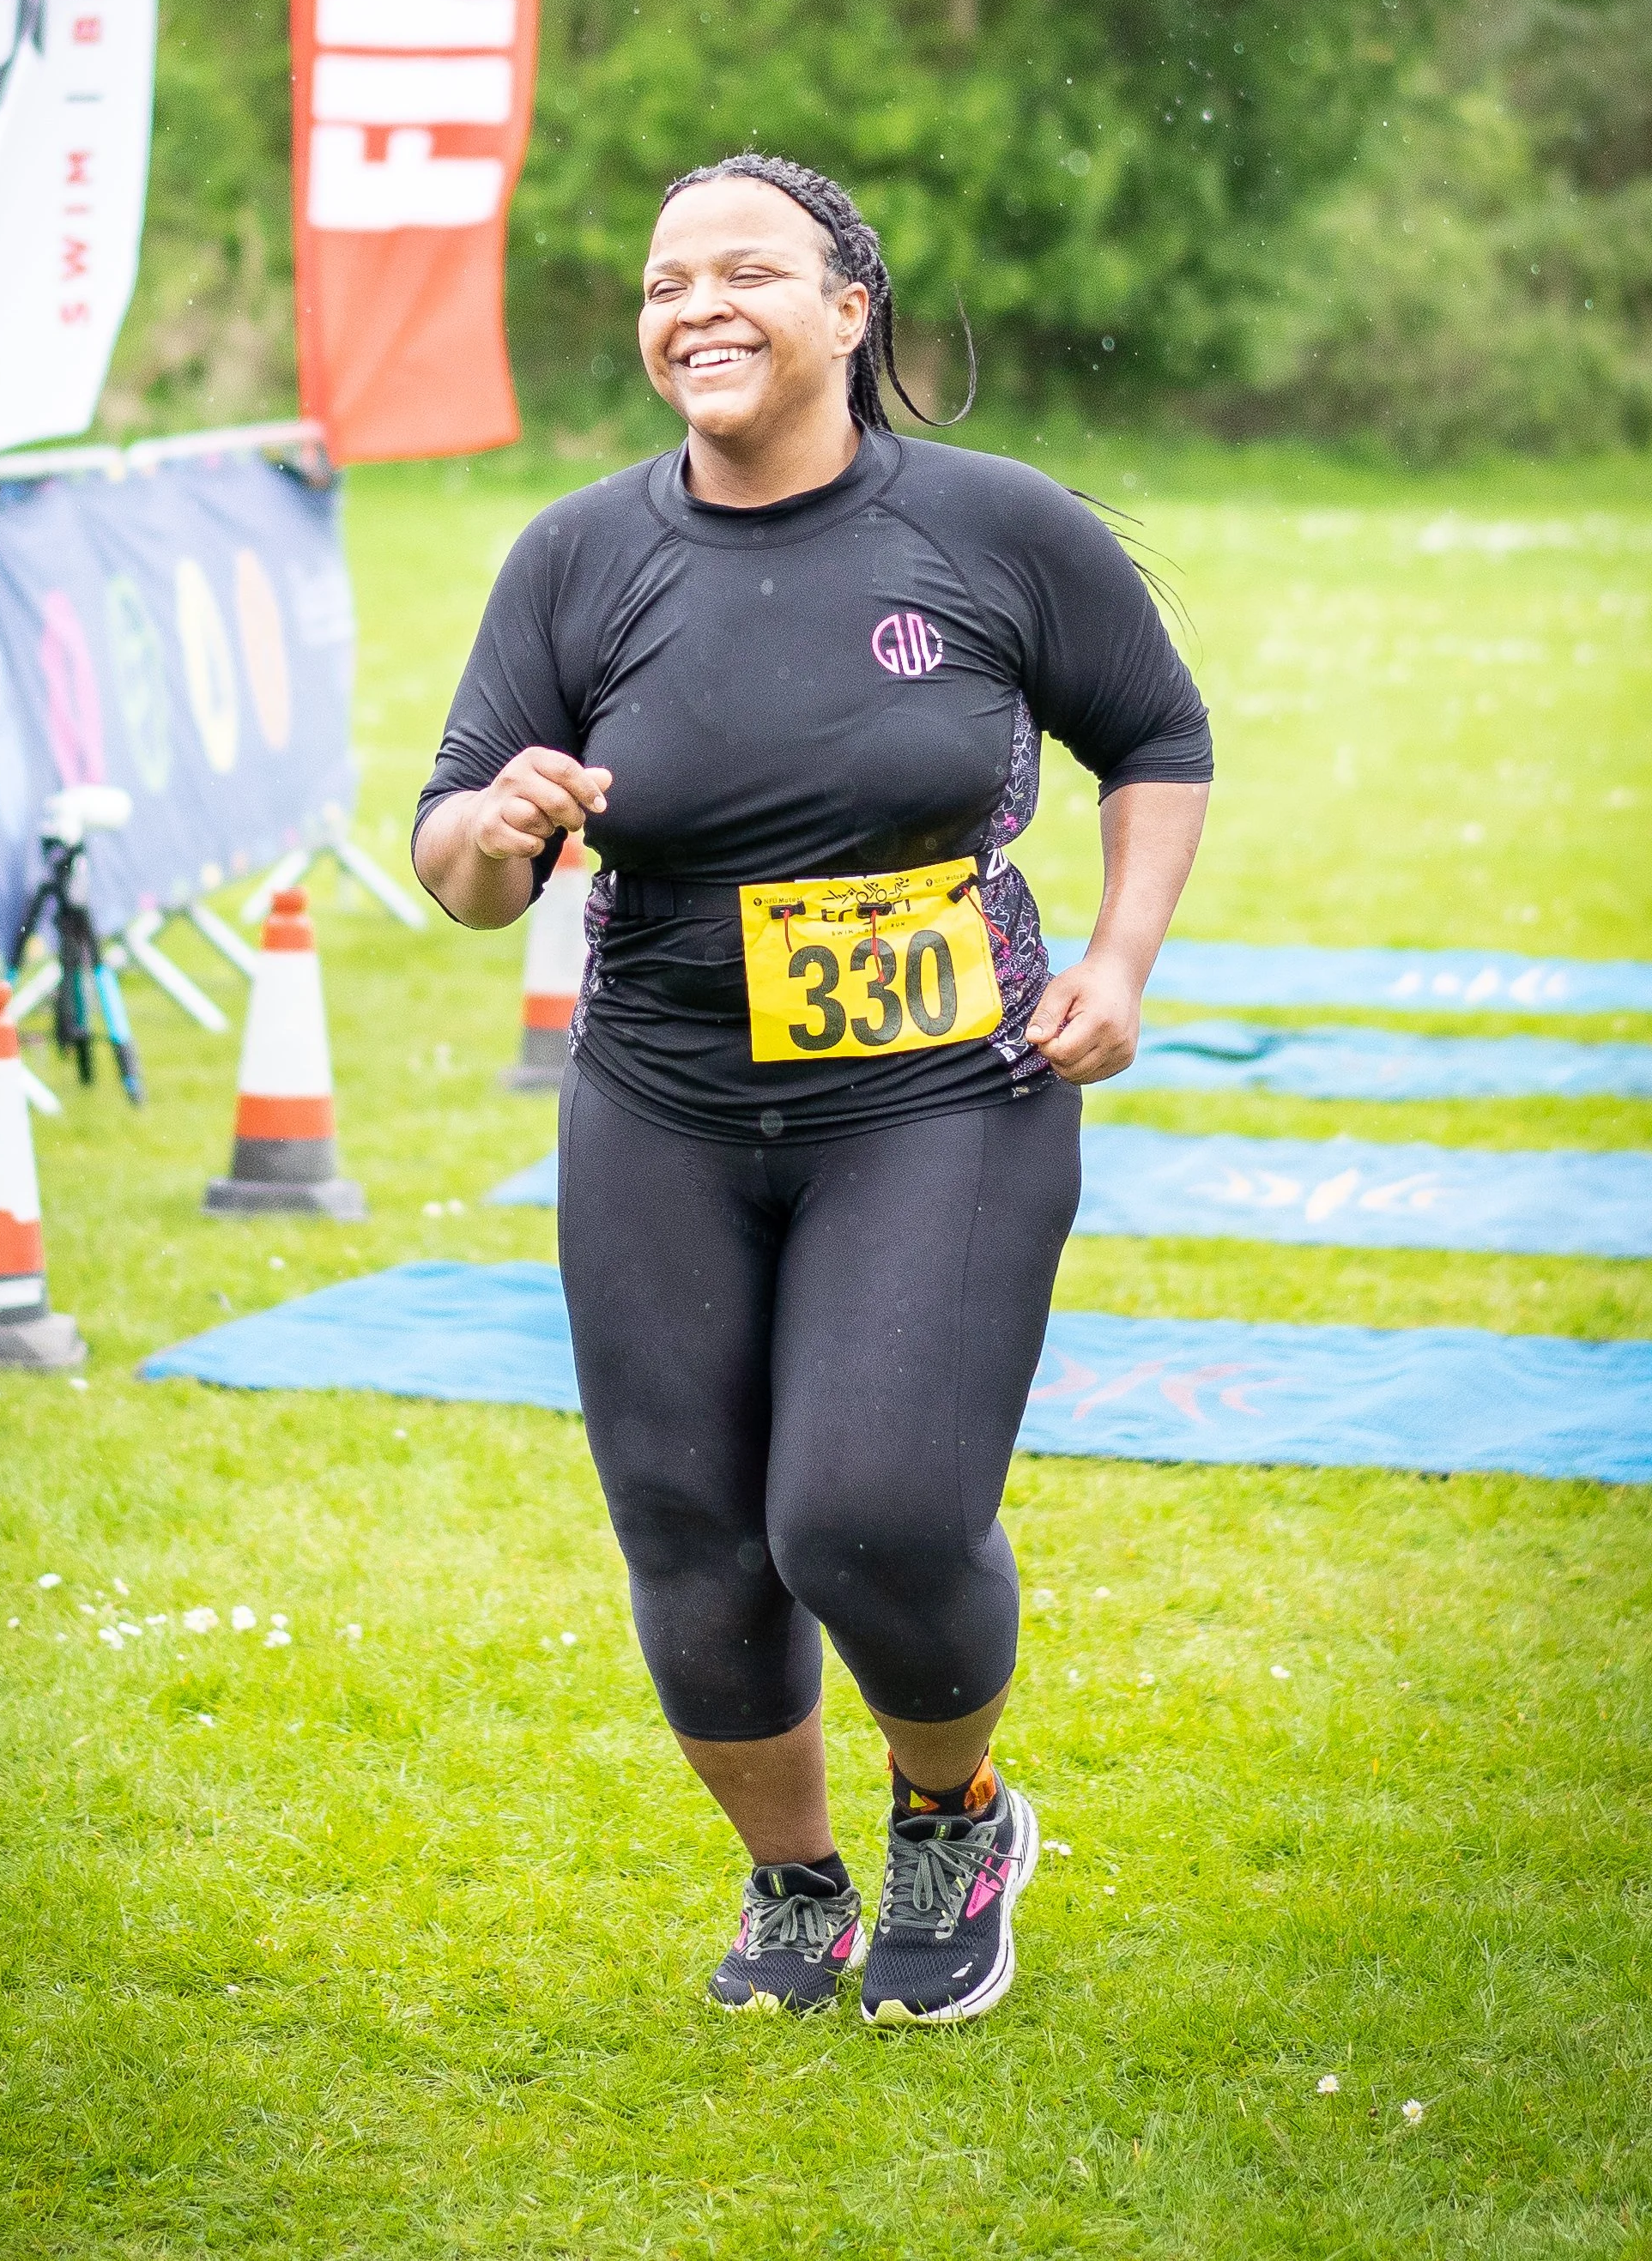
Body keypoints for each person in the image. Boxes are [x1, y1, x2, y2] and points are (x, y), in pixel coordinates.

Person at [414, 153, 1210, 2027]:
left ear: (848, 310)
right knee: (686, 1523)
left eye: (745, 270)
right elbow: (453, 866)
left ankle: (954, 1812)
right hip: (663, 1102)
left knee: (863, 1506)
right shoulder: (578, 557)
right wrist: (496, 824)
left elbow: (1153, 734)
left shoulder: (995, 531)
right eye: (661, 276)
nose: (693, 304)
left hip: (944, 1090)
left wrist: (1116, 958)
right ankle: (793, 1882)